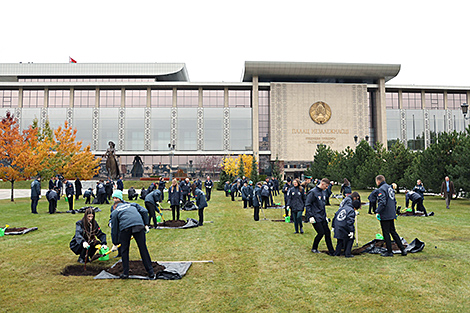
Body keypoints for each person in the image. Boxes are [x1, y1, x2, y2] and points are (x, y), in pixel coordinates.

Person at [109, 190, 155, 279]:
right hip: (139, 225)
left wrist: (115, 243)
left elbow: (114, 229)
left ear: (115, 206)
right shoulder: (132, 205)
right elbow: (145, 211)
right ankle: (151, 272)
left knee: (124, 250)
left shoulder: (115, 212)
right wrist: (145, 224)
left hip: (125, 228)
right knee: (143, 249)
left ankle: (125, 273)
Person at [375, 175, 407, 257]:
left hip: (385, 214)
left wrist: (377, 212)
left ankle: (389, 251)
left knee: (386, 233)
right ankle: (403, 249)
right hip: (391, 213)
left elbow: (382, 202)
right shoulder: (390, 188)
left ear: (378, 181)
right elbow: (394, 201)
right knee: (393, 232)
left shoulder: (381, 189)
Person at [305, 178, 335, 255]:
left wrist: (325, 216)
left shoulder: (323, 192)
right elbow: (308, 205)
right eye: (326, 186)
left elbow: (322, 206)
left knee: (327, 233)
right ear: (322, 184)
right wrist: (310, 216)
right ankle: (314, 248)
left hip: (322, 216)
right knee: (321, 233)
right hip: (315, 217)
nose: (327, 188)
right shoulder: (312, 192)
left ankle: (331, 251)